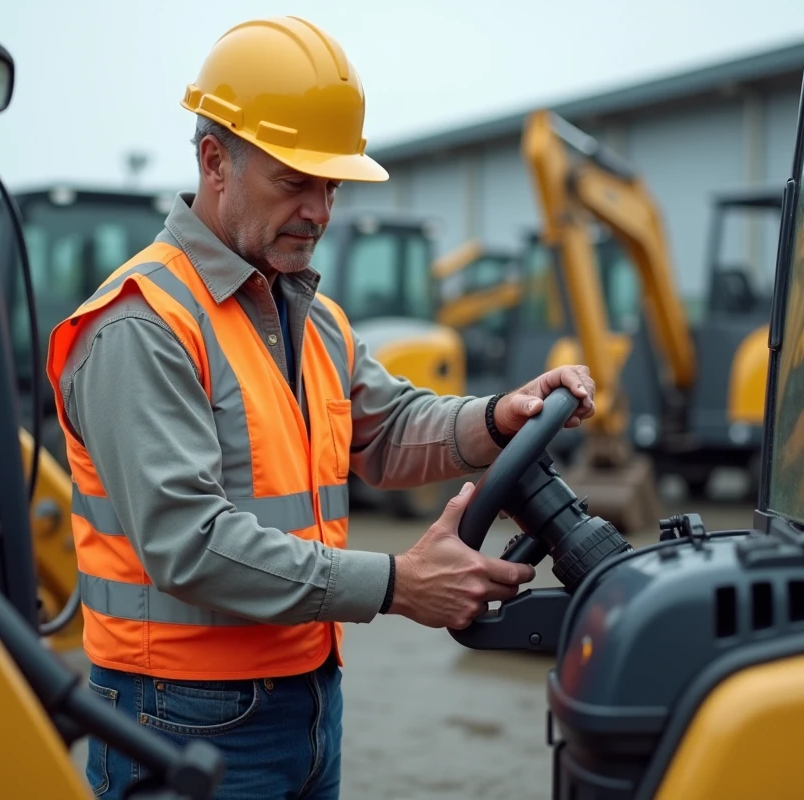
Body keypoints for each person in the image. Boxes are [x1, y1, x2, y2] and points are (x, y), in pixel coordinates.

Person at [45, 15, 596, 800]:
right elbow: (188, 543)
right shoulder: (143, 324)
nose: (320, 210)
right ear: (214, 162)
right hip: (176, 714)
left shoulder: (310, 315)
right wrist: (399, 583)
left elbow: (390, 428)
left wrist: (498, 415)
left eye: (330, 185)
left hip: (305, 699)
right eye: (294, 181)